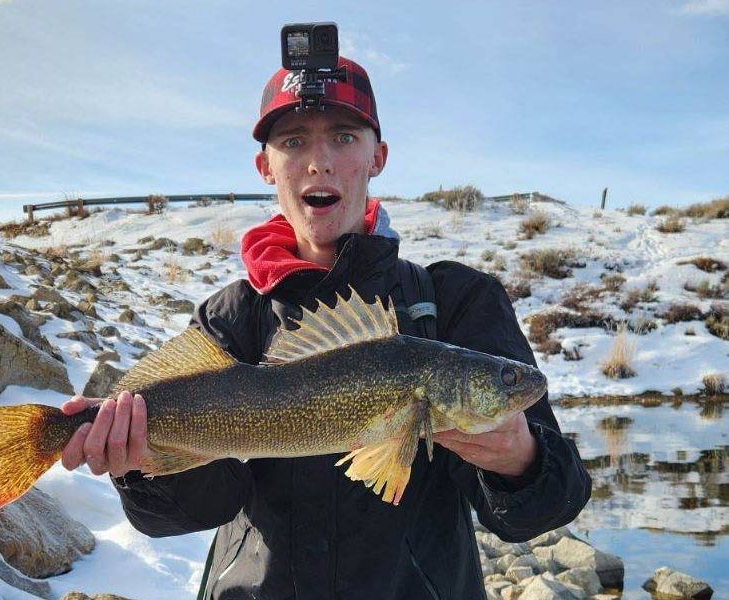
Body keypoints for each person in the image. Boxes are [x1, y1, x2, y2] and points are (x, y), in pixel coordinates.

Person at [60, 56, 591, 599]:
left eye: (343, 137)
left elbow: (544, 508)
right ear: (265, 166)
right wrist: (146, 465)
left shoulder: (457, 302)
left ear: (376, 157)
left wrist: (521, 462)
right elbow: (200, 509)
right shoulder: (229, 318)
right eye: (293, 142)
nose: (319, 162)